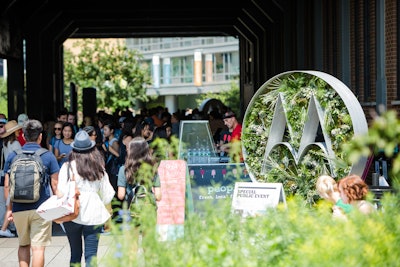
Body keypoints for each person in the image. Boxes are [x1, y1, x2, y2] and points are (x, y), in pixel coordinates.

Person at [3, 119, 60, 267]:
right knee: (38, 248)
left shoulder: (13, 156)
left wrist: (9, 210)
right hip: (41, 208)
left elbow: (7, 186)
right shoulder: (47, 156)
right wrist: (58, 209)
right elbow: (55, 185)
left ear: (23, 135)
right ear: (40, 136)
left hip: (18, 208)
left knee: (23, 245)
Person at [56, 130, 115, 267]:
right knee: (91, 256)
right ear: (91, 149)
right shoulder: (98, 168)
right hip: (94, 214)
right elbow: (107, 196)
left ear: (74, 150)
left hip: (72, 213)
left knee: (75, 255)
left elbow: (60, 192)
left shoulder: (67, 167)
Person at [117, 137, 161, 229]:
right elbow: (158, 196)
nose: (126, 150)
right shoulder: (153, 169)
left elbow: (121, 195)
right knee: (148, 242)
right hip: (149, 209)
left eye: (128, 148)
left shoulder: (124, 170)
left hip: (131, 210)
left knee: (133, 242)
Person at [0, 120, 23, 237]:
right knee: (11, 202)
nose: (19, 131)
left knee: (7, 202)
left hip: (6, 174)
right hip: (14, 174)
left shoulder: (5, 143)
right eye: (18, 130)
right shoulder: (16, 144)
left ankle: (7, 227)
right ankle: (5, 228)